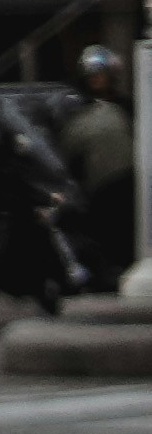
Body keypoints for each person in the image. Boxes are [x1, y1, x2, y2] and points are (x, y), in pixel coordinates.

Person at [67, 50, 136, 286]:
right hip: (95, 183)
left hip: (127, 177)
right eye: (91, 75)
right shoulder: (78, 109)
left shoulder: (125, 106)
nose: (96, 79)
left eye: (100, 74)